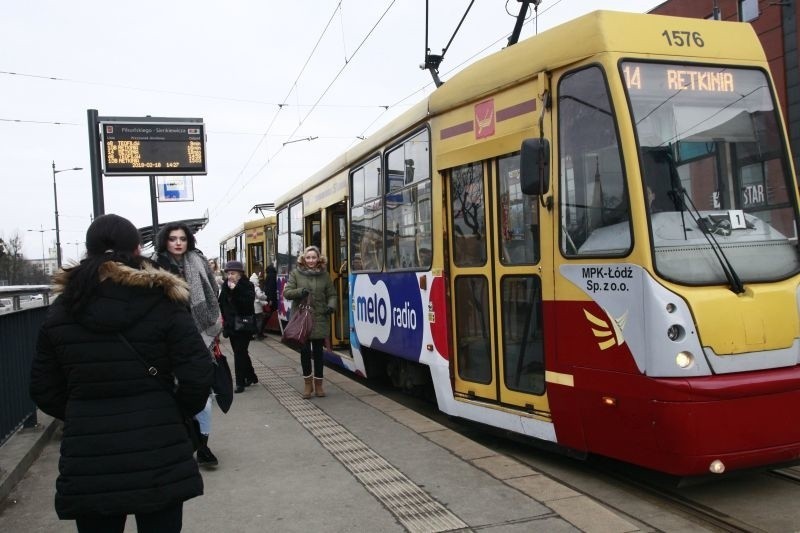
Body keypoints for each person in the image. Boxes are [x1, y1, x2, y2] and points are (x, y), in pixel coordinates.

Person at [30, 214, 214, 533]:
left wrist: (80, 412)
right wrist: (175, 411)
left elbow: (44, 388)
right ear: (136, 250)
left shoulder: (61, 309)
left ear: (88, 252)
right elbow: (198, 373)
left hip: (90, 456)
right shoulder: (164, 300)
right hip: (159, 446)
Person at [153, 222, 222, 468]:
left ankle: (202, 444)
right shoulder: (154, 266)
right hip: (166, 340)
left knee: (202, 393)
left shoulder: (198, 262)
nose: (178, 242)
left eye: (182, 238)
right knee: (172, 394)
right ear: (165, 241)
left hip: (198, 335)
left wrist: (212, 323)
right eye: (173, 238)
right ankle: (182, 443)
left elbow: (213, 291)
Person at [283, 245, 336, 399]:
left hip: (319, 318)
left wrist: (331, 306)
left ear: (319, 259)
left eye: (314, 257)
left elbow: (332, 294)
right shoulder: (295, 274)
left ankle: (319, 386)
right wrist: (300, 292)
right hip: (302, 320)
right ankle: (308, 385)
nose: (311, 260)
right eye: (308, 257)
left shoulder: (325, 275)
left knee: (319, 354)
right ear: (303, 259)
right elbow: (287, 293)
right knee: (305, 353)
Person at [219, 260, 257, 393]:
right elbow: (221, 303)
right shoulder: (225, 286)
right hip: (231, 325)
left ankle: (240, 382)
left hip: (244, 325)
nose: (230, 276)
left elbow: (247, 305)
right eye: (228, 273)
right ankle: (251, 376)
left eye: (233, 273)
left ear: (240, 274)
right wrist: (224, 320)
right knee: (240, 352)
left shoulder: (247, 285)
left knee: (239, 353)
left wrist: (235, 291)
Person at [250, 272, 268, 339]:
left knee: (253, 321)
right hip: (257, 307)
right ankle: (259, 334)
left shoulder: (249, 287)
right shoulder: (257, 288)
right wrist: (265, 297)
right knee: (260, 320)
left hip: (251, 307)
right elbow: (260, 296)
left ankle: (252, 334)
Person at [261, 264, 278, 334]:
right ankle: (260, 330)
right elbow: (271, 288)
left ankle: (261, 330)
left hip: (268, 297)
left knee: (268, 313)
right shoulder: (272, 276)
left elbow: (268, 288)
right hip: (272, 297)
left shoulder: (268, 276)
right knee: (268, 313)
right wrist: (271, 299)